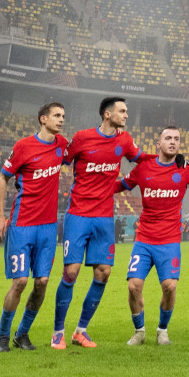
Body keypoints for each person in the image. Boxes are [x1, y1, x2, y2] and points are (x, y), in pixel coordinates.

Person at [51, 97, 146, 349]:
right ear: (107, 114)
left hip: (104, 217)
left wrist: (169, 158)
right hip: (78, 214)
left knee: (103, 272)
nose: (126, 115)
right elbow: (60, 160)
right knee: (71, 272)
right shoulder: (82, 138)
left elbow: (142, 159)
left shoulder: (124, 140)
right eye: (122, 111)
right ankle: (57, 332)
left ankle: (80, 331)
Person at [117, 126, 189, 346]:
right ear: (158, 143)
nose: (173, 142)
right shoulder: (143, 167)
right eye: (168, 138)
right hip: (144, 239)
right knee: (133, 286)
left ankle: (162, 330)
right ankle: (139, 331)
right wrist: (92, 187)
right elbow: (120, 185)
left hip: (169, 240)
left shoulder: (184, 169)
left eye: (177, 138)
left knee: (170, 286)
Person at [0, 102, 69, 352]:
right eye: (56, 115)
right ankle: (3, 335)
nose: (61, 120)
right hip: (22, 224)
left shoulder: (62, 145)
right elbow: (3, 178)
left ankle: (22, 334)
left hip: (47, 227)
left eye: (63, 116)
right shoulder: (23, 146)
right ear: (43, 119)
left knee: (42, 282)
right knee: (20, 282)